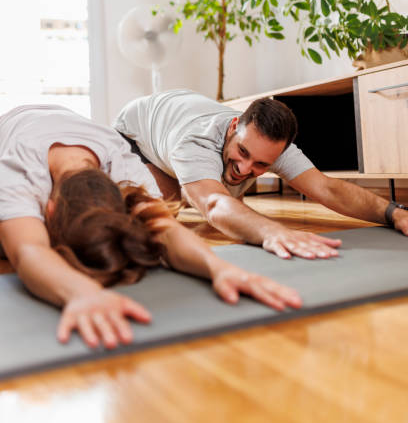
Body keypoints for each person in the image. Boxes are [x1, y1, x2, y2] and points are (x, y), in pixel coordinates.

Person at [0, 104, 302, 350]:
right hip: (14, 125)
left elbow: (166, 230)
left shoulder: (125, 166)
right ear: (47, 212)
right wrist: (79, 292)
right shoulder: (17, 171)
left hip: (65, 123)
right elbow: (29, 250)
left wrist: (218, 267)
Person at [114, 89, 408, 259]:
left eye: (261, 165)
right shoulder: (195, 141)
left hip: (178, 117)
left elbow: (326, 188)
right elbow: (214, 205)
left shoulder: (275, 146)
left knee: (213, 191)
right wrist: (272, 230)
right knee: (162, 210)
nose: (244, 169)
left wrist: (394, 213)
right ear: (233, 128)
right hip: (135, 134)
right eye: (242, 152)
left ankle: (197, 182)